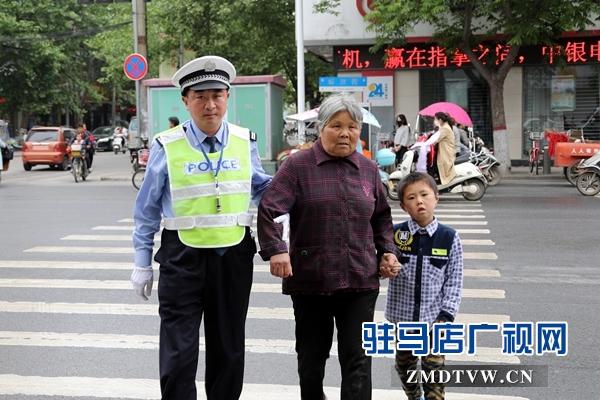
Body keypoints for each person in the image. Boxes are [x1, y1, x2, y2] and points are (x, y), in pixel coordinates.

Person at [130, 55, 272, 400]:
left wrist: (298, 186)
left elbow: (261, 188)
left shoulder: (245, 141)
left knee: (229, 349)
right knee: (179, 350)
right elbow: (147, 209)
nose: (210, 105)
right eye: (200, 97)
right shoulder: (166, 145)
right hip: (182, 257)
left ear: (227, 97)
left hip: (233, 255)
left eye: (217, 95)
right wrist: (142, 261)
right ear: (186, 100)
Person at [257, 92, 401, 400]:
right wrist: (276, 249)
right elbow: (270, 208)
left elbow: (381, 218)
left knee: (358, 360)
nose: (345, 133)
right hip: (312, 280)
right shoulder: (297, 166)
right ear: (321, 128)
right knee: (312, 360)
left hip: (360, 279)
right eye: (336, 126)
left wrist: (388, 251)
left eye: (352, 127)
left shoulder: (368, 169)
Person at [385, 172, 463, 400]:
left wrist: (446, 316)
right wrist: (384, 268)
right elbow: (379, 266)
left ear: (436, 198)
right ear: (402, 205)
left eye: (424, 195)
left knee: (434, 371)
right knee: (404, 367)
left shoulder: (449, 237)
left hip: (434, 321)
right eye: (411, 197)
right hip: (404, 320)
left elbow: (455, 280)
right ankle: (414, 396)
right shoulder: (396, 234)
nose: (419, 201)